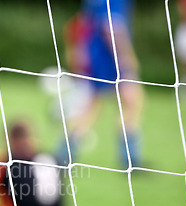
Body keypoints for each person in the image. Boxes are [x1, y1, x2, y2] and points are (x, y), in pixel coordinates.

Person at [61, 0, 144, 168]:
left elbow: (84, 21)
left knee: (92, 107)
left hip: (96, 55)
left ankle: (63, 153)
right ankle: (130, 159)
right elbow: (112, 27)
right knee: (131, 102)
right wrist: (126, 58)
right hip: (110, 57)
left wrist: (81, 50)